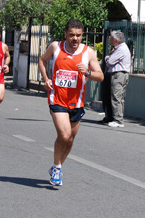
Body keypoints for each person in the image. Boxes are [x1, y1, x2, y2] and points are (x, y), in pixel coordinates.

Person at [38, 19, 104, 186]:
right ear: (66, 34)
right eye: (72, 35)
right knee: (64, 135)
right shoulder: (55, 47)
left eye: (79, 35)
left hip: (77, 103)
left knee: (70, 139)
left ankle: (56, 168)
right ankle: (57, 167)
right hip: (57, 99)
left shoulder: (88, 53)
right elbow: (42, 60)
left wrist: (88, 72)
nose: (75, 38)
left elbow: (101, 76)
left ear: (82, 36)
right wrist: (46, 79)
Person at [104, 30, 131, 128]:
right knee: (119, 97)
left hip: (118, 75)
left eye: (111, 38)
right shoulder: (120, 48)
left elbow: (110, 62)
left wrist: (107, 58)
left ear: (116, 40)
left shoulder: (121, 49)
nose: (110, 40)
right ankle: (117, 118)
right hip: (120, 74)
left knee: (116, 97)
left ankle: (118, 120)